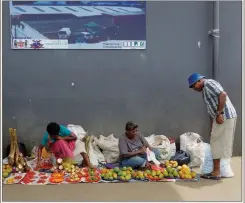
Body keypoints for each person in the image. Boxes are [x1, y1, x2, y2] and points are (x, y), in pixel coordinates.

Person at [188, 73, 237, 180]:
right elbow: (211, 108)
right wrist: (213, 124)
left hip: (224, 117)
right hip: (224, 118)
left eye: (193, 86)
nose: (194, 89)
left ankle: (216, 172)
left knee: (216, 144)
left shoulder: (209, 83)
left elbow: (223, 94)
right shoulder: (205, 89)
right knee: (222, 143)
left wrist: (219, 114)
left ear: (199, 81)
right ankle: (222, 170)